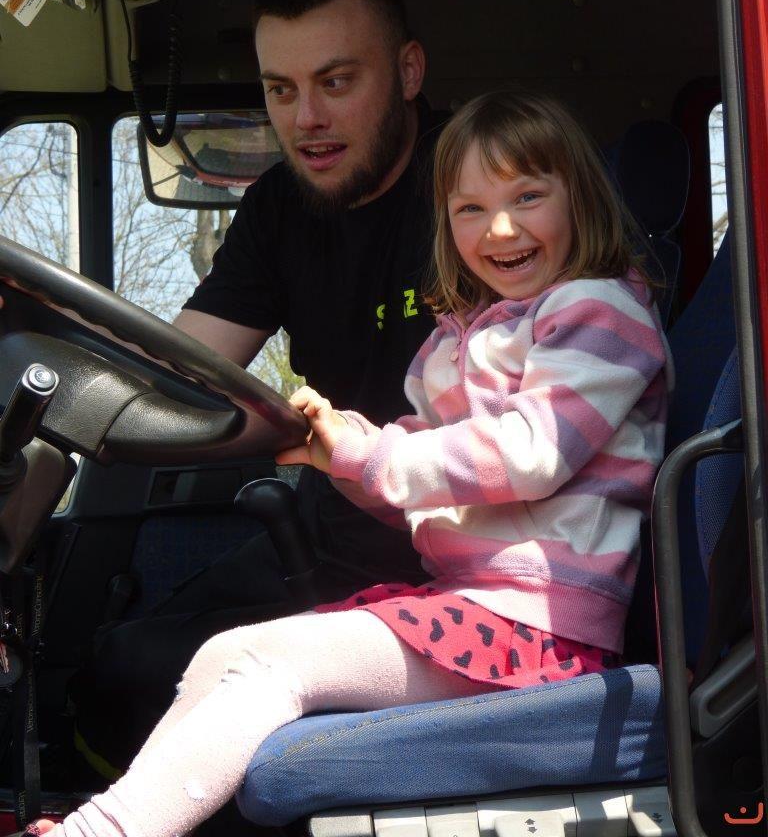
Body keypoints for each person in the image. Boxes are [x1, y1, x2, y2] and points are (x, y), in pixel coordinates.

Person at [30, 90, 671, 837]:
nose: (500, 228)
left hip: (541, 630)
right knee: (224, 653)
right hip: (473, 604)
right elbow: (418, 482)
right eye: (469, 209)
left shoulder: (598, 312)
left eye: (528, 197)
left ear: (581, 199)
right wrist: (341, 455)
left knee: (264, 664)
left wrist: (374, 455)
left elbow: (531, 452)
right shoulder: (458, 340)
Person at [69, 0, 448, 771]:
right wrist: (60, 353)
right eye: (281, 89)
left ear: (408, 72)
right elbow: (177, 368)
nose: (305, 118)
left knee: (145, 678)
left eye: (336, 82)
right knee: (111, 665)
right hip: (328, 527)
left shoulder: (473, 190)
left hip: (447, 561)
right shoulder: (282, 206)